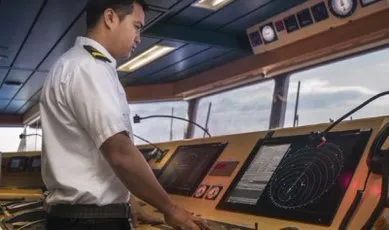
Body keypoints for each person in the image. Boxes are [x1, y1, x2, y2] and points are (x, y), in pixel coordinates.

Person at [39, 0, 208, 229]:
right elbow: (120, 153)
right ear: (110, 18)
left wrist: (129, 202)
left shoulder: (73, 63)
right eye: (136, 26)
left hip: (78, 217)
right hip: (91, 222)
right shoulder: (89, 68)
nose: (139, 37)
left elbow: (93, 157)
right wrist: (172, 209)